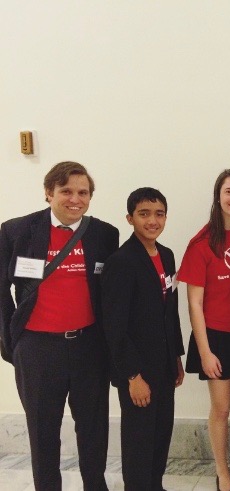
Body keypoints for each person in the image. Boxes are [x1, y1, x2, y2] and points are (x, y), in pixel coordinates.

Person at [0, 161, 119, 490]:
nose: (75, 199)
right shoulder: (17, 231)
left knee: (94, 431)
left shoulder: (105, 234)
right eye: (66, 191)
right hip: (38, 349)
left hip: (88, 348)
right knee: (43, 433)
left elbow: (110, 294)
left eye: (83, 192)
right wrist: (13, 340)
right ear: (48, 193)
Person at [178, 169, 230, 491]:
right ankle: (222, 471)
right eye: (229, 192)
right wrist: (205, 350)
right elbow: (194, 304)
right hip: (217, 337)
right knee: (222, 408)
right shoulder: (201, 243)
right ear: (218, 196)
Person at [101, 187, 185, 490]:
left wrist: (176, 356)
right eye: (144, 214)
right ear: (130, 218)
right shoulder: (122, 261)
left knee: (161, 434)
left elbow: (170, 312)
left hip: (164, 365)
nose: (153, 220)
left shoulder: (167, 255)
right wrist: (132, 375)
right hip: (138, 370)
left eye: (159, 213)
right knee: (139, 440)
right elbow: (114, 326)